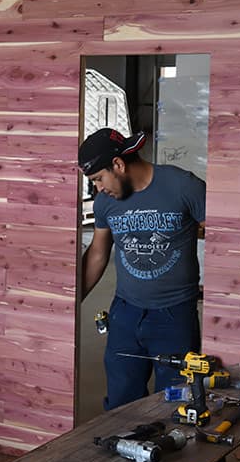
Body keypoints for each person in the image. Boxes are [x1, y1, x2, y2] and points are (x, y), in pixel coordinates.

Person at [78, 128, 206, 410]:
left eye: (99, 178)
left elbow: (225, 238)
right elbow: (98, 253)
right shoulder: (105, 203)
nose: (98, 188)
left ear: (119, 165)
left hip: (174, 316)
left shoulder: (183, 186)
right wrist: (73, 302)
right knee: (121, 403)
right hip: (125, 313)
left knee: (175, 403)